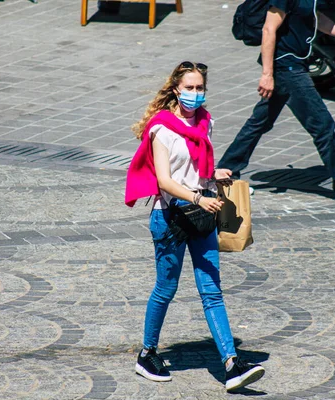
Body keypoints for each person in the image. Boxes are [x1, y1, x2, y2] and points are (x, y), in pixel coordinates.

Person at [125, 61, 265, 391]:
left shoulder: (205, 122)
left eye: (200, 88)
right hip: (171, 217)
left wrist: (211, 177)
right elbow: (164, 180)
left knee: (211, 290)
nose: (195, 94)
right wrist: (198, 197)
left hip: (201, 216)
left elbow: (197, 169)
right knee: (166, 288)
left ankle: (232, 363)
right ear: (176, 89)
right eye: (189, 88)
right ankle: (147, 354)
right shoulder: (161, 128)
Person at [218, 0, 335, 202]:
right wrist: (267, 74)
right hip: (287, 67)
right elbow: (269, 29)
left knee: (260, 122)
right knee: (322, 124)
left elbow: (315, 17)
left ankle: (225, 174)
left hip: (293, 65)